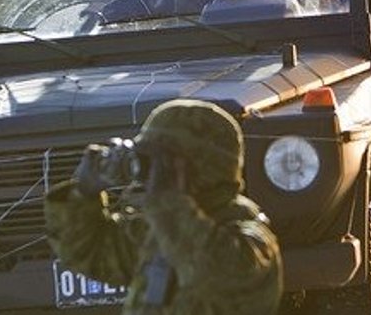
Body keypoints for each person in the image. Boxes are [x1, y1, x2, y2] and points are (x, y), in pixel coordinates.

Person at [44, 98, 282, 315]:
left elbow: (215, 271)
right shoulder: (161, 229)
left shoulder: (249, 240)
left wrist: (168, 200)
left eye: (157, 163)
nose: (148, 175)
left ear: (200, 167)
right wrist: (82, 194)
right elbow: (91, 253)